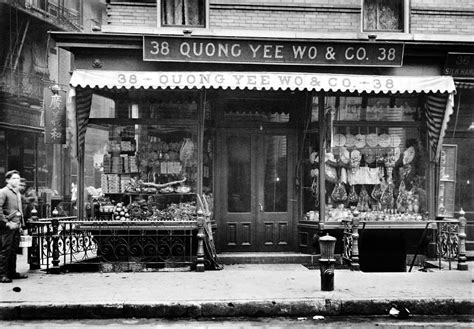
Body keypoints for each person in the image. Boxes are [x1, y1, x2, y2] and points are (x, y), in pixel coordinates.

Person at [0, 170, 28, 283]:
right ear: (7, 180)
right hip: (7, 227)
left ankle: (12, 272)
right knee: (5, 251)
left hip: (16, 226)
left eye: (18, 178)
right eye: (14, 178)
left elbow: (19, 210)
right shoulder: (3, 192)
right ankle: (2, 274)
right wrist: (6, 223)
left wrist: (21, 224)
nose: (17, 180)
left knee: (13, 250)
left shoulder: (17, 193)